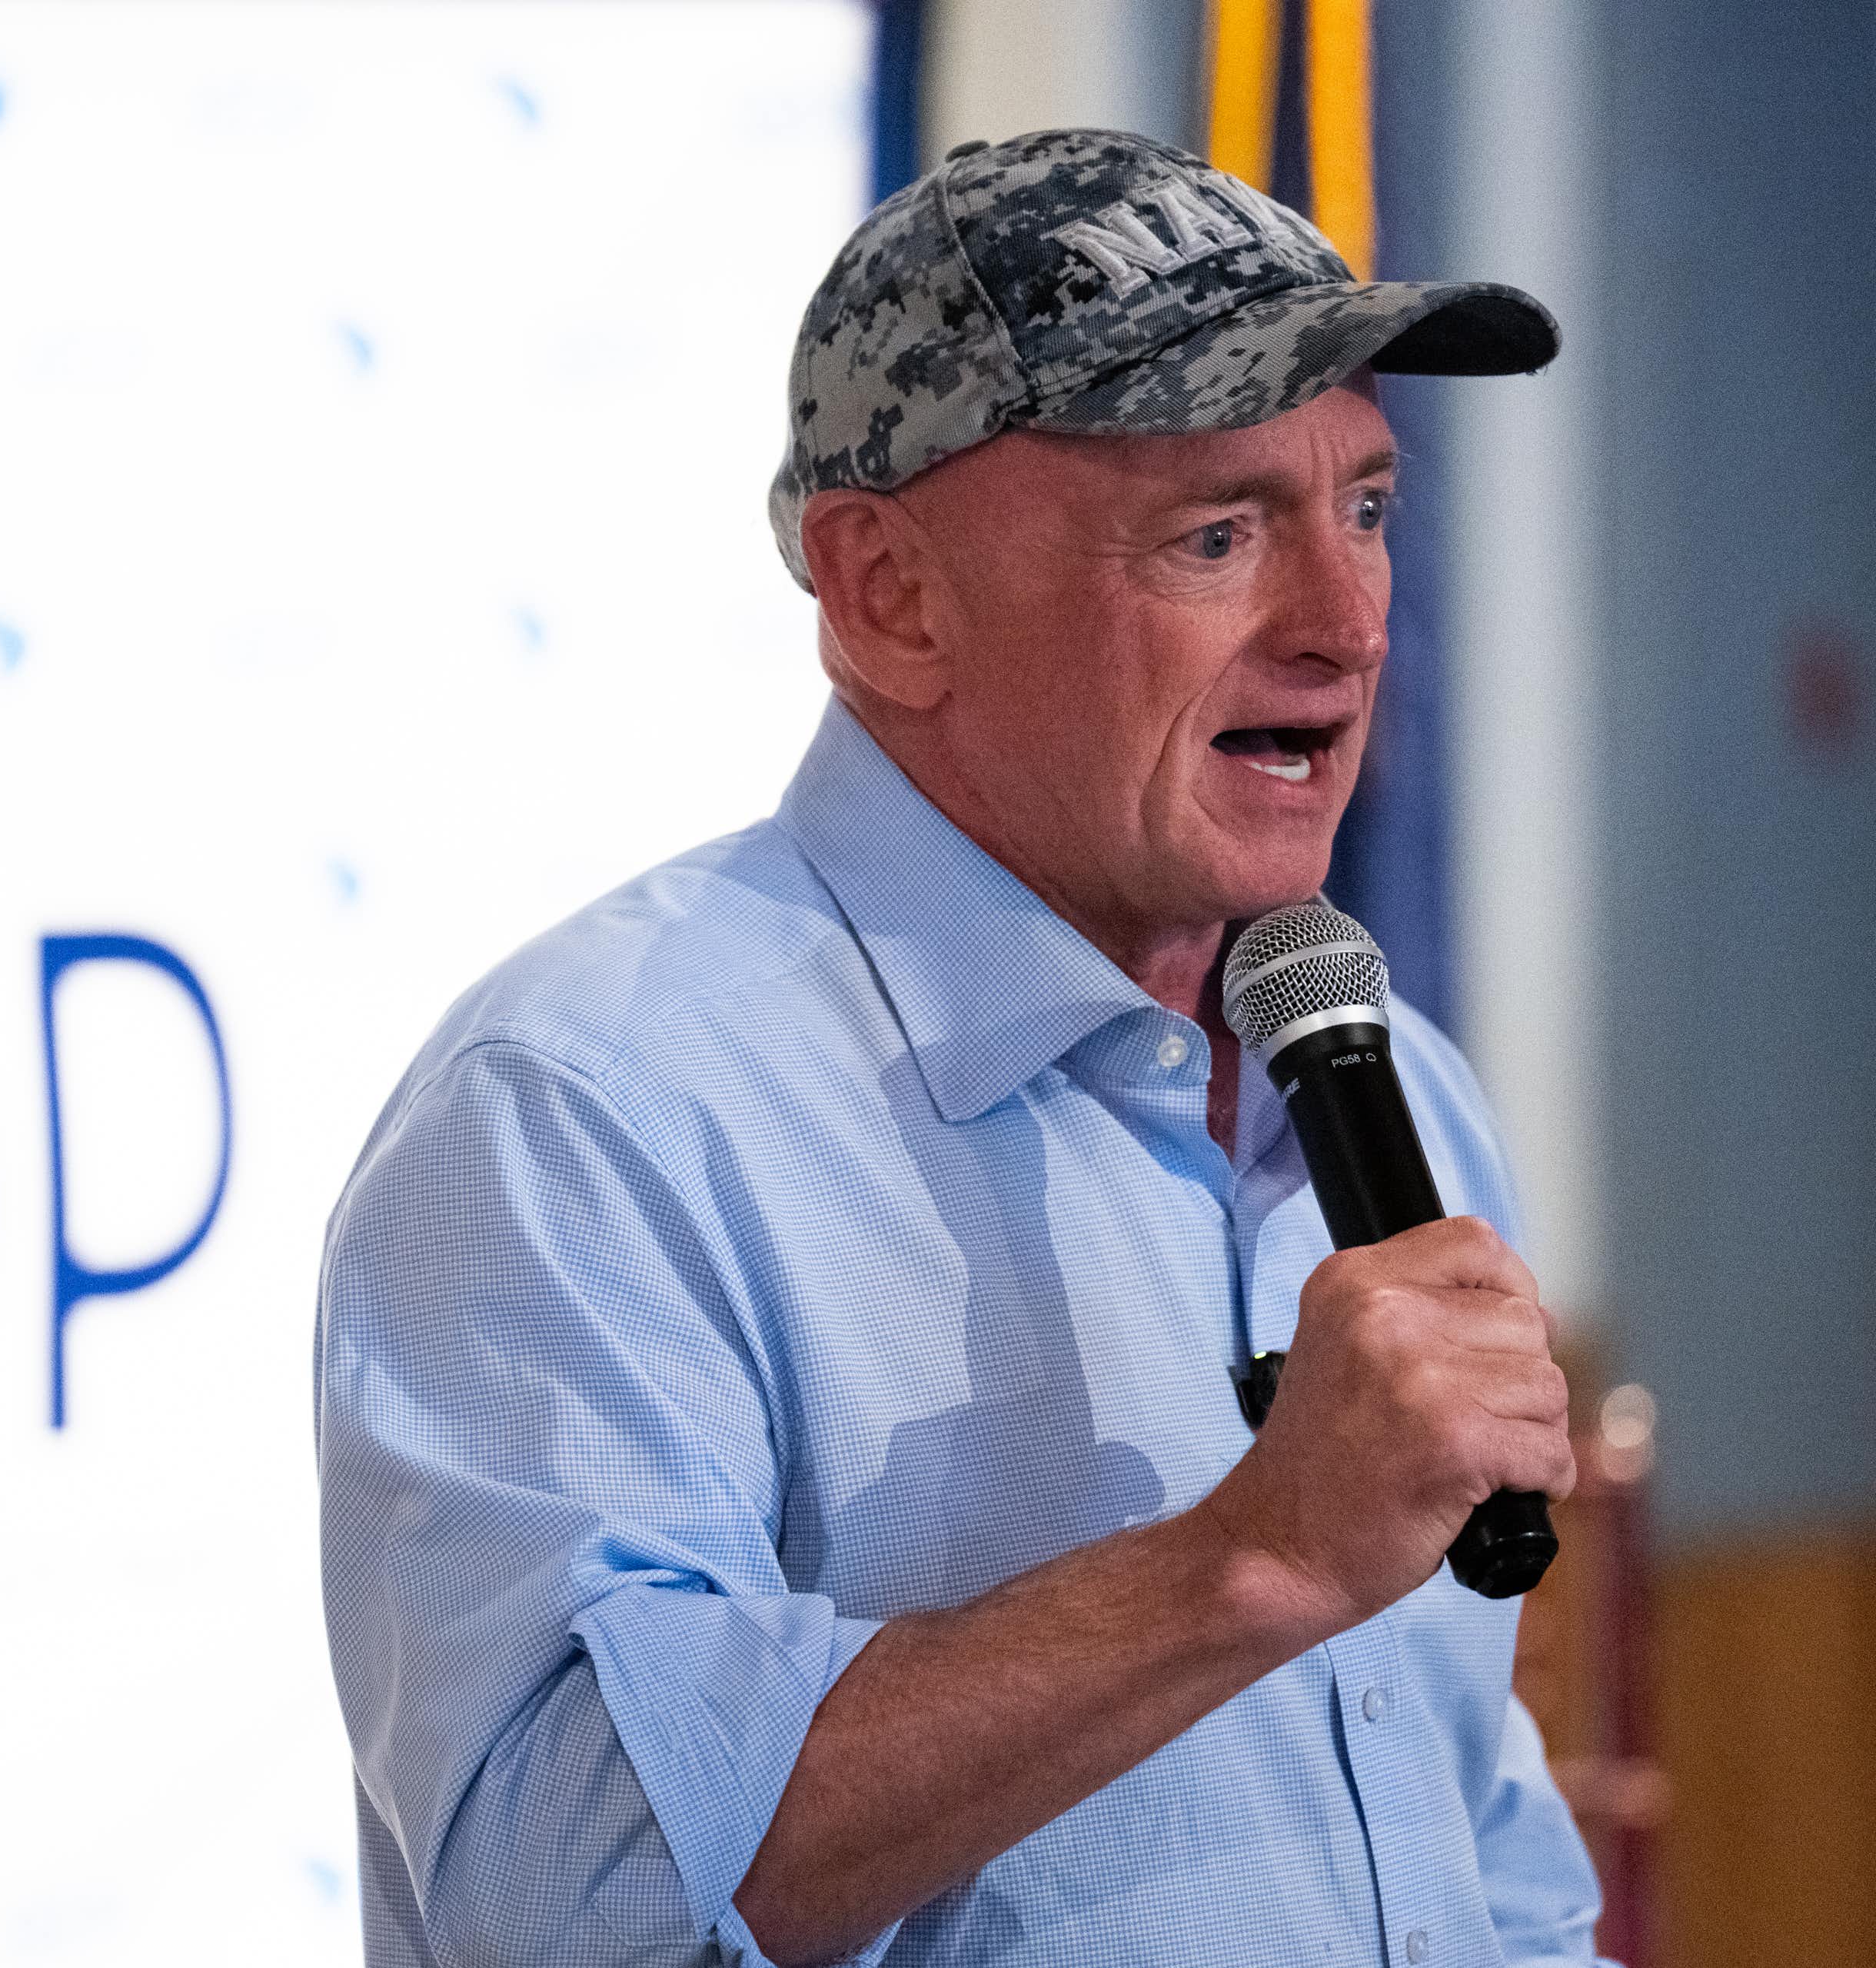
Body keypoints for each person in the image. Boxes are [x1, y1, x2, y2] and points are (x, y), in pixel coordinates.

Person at [315, 128, 1607, 1968]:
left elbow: (1475, 1845)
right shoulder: (588, 1117)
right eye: (1218, 533)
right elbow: (565, 1906)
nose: (1342, 625)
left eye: (1369, 511)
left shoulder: (1386, 1082)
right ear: (887, 594)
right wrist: (1247, 1557)